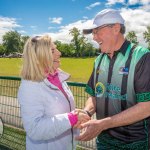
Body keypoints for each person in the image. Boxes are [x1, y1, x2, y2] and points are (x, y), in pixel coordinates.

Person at [76, 9, 150, 150]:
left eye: (97, 31)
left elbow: (147, 107)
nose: (94, 37)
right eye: (93, 33)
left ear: (116, 28)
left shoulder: (142, 57)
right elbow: (95, 96)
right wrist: (86, 112)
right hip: (103, 141)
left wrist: (102, 124)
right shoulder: (98, 60)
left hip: (135, 144)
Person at [17, 35, 90, 150]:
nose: (59, 53)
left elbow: (60, 112)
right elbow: (34, 129)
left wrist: (76, 115)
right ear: (38, 57)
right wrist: (72, 118)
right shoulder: (30, 86)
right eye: (52, 51)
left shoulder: (57, 77)